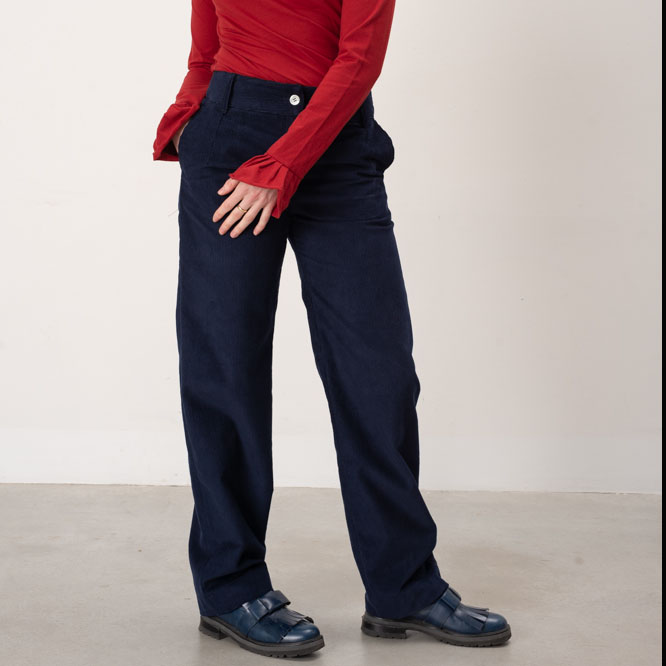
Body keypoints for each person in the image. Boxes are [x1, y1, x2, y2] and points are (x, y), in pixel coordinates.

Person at [153, 0, 511, 659]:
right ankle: (230, 587)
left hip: (337, 148)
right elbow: (207, 44)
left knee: (379, 375)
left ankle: (403, 587)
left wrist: (283, 165)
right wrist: (190, 116)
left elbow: (359, 59)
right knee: (225, 368)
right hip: (231, 140)